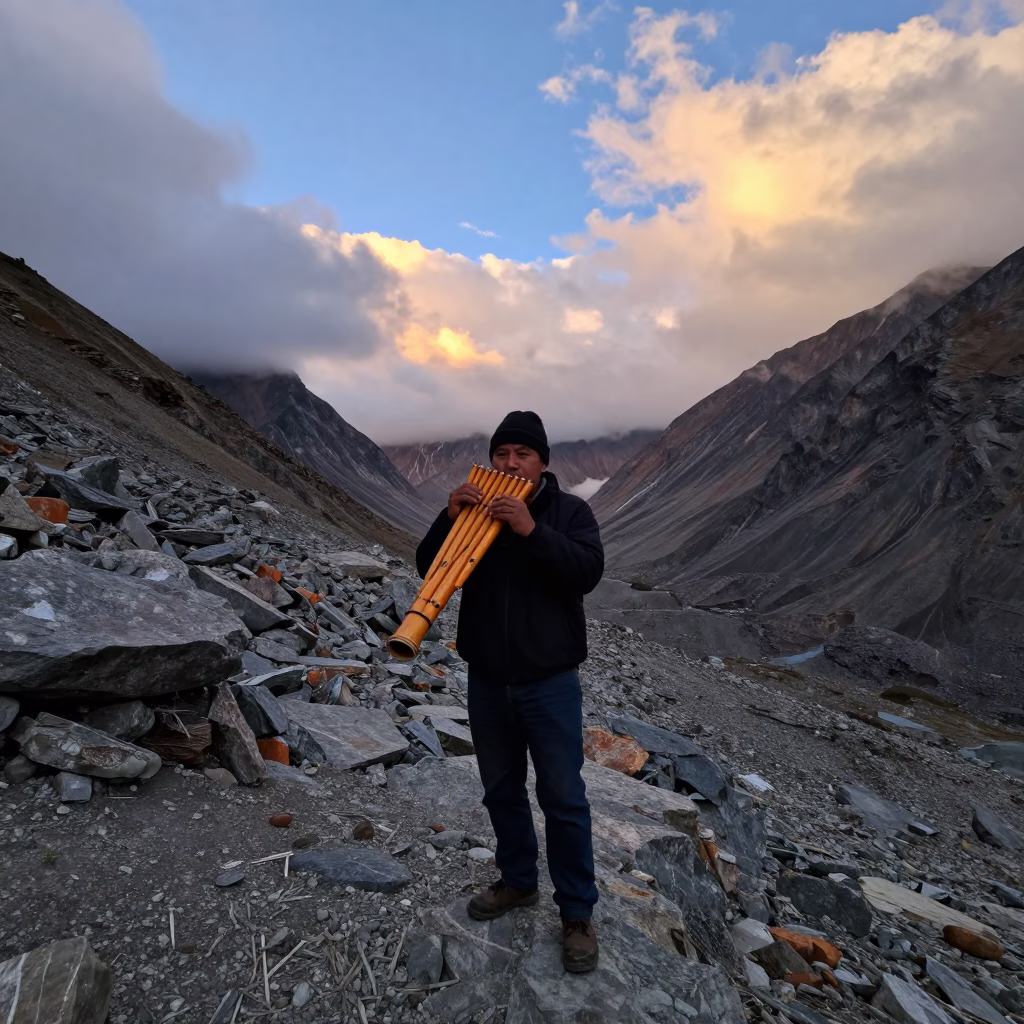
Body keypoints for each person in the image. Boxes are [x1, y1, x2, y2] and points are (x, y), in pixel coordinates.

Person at [415, 410, 604, 973]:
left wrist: (531, 530)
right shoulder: (473, 513)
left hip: (550, 684)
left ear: (543, 462)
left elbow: (586, 573)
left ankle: (576, 913)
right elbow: (432, 571)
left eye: (522, 454)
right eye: (502, 454)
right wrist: (447, 521)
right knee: (501, 789)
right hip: (489, 681)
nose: (510, 463)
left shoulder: (571, 512)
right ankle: (519, 880)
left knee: (564, 798)